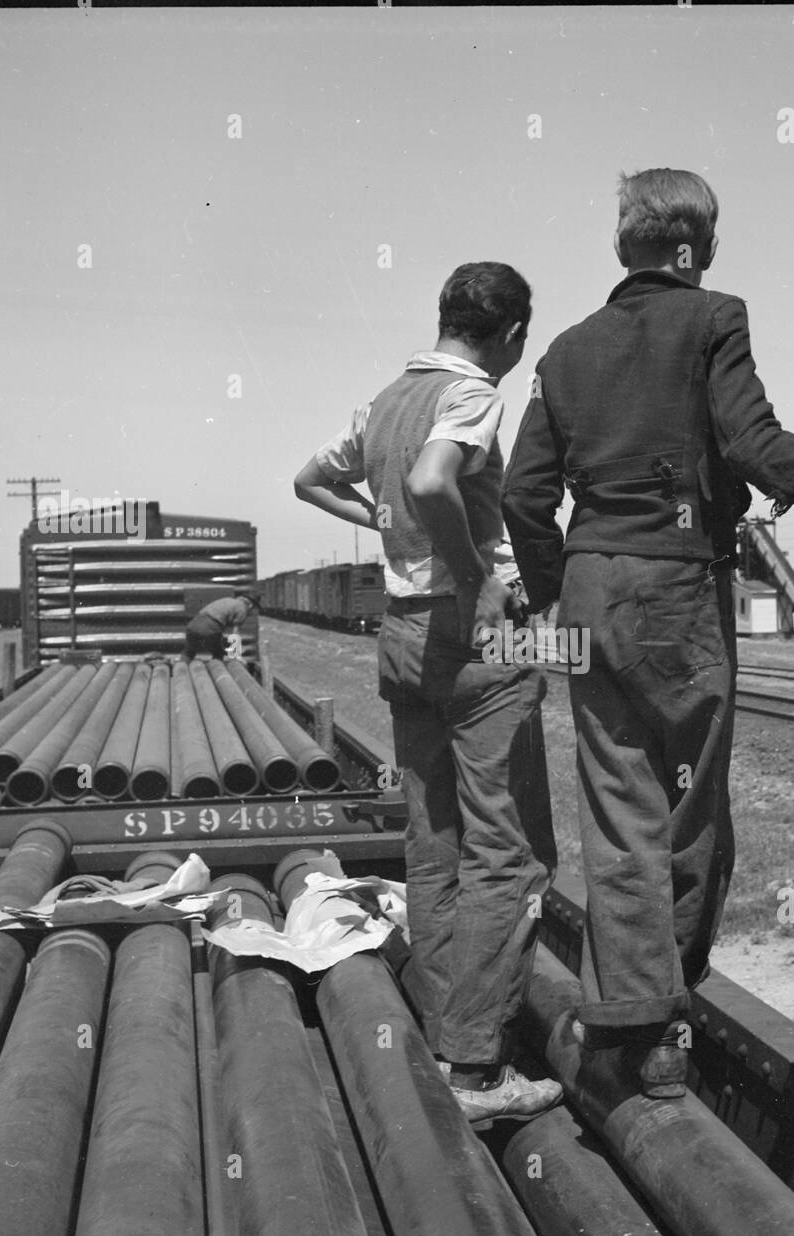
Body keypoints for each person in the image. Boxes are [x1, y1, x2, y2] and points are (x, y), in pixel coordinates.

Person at [502, 168, 794, 1098]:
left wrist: (559, 593)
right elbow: (756, 446)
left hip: (594, 592)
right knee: (688, 809)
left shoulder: (562, 350)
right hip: (678, 593)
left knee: (617, 809)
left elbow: (524, 495)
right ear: (694, 249)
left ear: (622, 247)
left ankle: (628, 1022)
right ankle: (663, 1027)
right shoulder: (715, 317)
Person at [293, 262, 562, 1127]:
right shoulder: (473, 395)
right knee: (509, 853)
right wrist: (480, 575)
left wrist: (372, 521)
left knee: (433, 838)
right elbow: (431, 482)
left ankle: (445, 1030)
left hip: (403, 637)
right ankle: (478, 1069)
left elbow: (310, 478)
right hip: (476, 640)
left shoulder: (381, 404)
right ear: (512, 335)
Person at [183, 590, 261, 660]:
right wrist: (237, 654)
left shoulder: (229, 600)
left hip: (193, 625)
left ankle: (180, 670)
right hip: (210, 628)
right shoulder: (243, 608)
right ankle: (217, 670)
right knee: (218, 652)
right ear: (251, 605)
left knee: (189, 652)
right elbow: (235, 634)